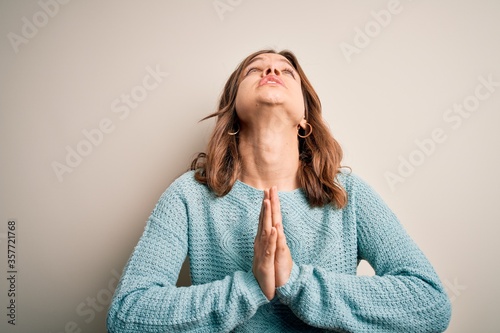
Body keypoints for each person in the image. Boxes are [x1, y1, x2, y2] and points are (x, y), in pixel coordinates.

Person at [106, 49, 451, 332]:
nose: (271, 68)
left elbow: (429, 302)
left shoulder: (349, 196)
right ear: (233, 113)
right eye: (254, 69)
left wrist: (296, 282)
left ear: (305, 119)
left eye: (287, 71)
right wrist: (250, 285)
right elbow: (127, 315)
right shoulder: (190, 196)